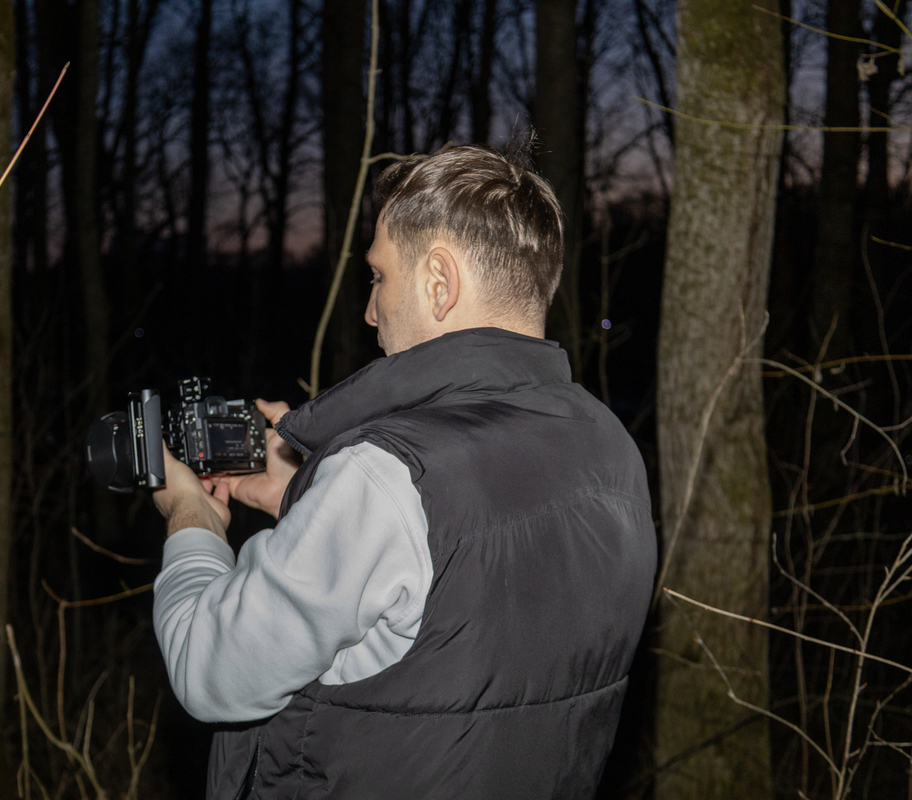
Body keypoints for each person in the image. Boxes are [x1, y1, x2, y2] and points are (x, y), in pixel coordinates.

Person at [150, 144, 656, 799]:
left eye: (379, 276)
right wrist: (306, 494)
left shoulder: (384, 477)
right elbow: (466, 581)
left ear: (439, 281)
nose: (370, 310)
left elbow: (209, 670)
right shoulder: (611, 448)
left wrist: (191, 517)